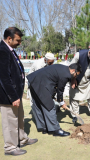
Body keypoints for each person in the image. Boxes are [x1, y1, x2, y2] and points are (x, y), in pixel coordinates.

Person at [0, 27, 38, 156]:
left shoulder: (10, 49)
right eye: (18, 40)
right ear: (9, 39)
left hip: (16, 94)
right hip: (8, 96)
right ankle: (10, 148)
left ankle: (22, 139)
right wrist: (12, 96)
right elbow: (4, 77)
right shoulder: (2, 51)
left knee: (20, 118)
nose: (20, 43)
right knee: (10, 121)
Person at [27, 63, 81, 137]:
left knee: (38, 104)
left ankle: (44, 128)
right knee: (49, 106)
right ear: (73, 71)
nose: (76, 77)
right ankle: (55, 130)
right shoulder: (66, 75)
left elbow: (53, 82)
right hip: (41, 83)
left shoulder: (63, 68)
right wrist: (61, 102)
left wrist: (54, 96)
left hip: (33, 81)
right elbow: (60, 90)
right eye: (76, 75)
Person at [69, 47, 90, 123]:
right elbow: (71, 68)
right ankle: (75, 115)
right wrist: (72, 79)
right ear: (89, 53)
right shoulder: (79, 55)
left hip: (88, 81)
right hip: (76, 80)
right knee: (74, 98)